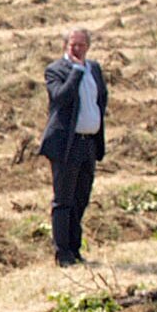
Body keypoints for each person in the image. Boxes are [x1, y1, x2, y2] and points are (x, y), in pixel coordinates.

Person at [39, 26, 108, 267]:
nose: (76, 49)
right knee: (64, 200)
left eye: (81, 45)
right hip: (66, 145)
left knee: (81, 198)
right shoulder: (56, 70)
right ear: (66, 45)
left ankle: (75, 249)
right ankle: (63, 253)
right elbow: (60, 97)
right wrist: (76, 72)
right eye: (72, 44)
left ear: (88, 46)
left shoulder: (95, 69)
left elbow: (101, 99)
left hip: (89, 144)